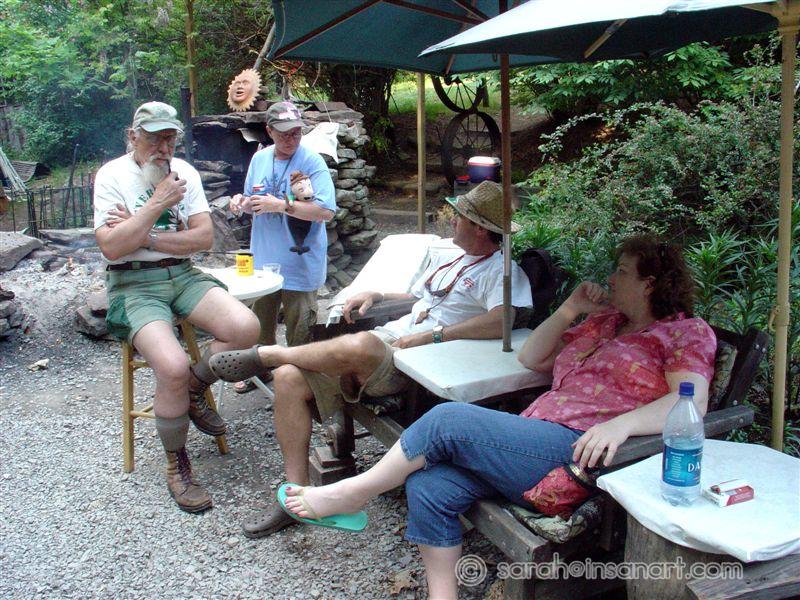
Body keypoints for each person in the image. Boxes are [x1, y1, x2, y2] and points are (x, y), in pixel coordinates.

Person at [276, 235, 716, 599]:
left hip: (583, 452)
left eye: (621, 271)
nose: (610, 278)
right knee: (430, 483)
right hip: (536, 439)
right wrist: (570, 309)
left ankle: (353, 494)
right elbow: (531, 357)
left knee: (448, 421)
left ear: (650, 284)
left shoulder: (683, 333)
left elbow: (690, 403)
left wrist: (620, 425)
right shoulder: (604, 324)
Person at [210, 180, 533, 538]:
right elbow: (420, 298)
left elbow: (502, 320)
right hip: (392, 342)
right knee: (288, 377)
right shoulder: (454, 258)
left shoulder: (502, 270)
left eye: (460, 216)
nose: (452, 220)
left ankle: (267, 354)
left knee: (362, 342)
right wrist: (376, 294)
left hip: (419, 362)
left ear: (479, 227)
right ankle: (296, 495)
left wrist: (433, 336)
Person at [93, 101, 260, 513]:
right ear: (133, 137)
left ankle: (194, 387)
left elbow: (202, 239)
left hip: (182, 274)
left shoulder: (185, 171)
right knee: (170, 365)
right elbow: (112, 247)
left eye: (169, 138)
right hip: (133, 282)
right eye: (154, 138)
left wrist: (142, 234)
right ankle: (177, 465)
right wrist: (158, 204)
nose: (163, 148)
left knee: (246, 327)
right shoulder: (111, 175)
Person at [228, 101, 336, 393]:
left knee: (300, 333)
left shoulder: (312, 161)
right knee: (259, 327)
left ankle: (299, 386)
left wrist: (280, 204)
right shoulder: (259, 159)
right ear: (269, 131)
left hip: (300, 265)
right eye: (285, 133)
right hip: (264, 263)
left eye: (296, 133)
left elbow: (325, 211)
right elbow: (253, 201)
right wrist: (241, 203)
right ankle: (261, 373)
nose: (291, 139)